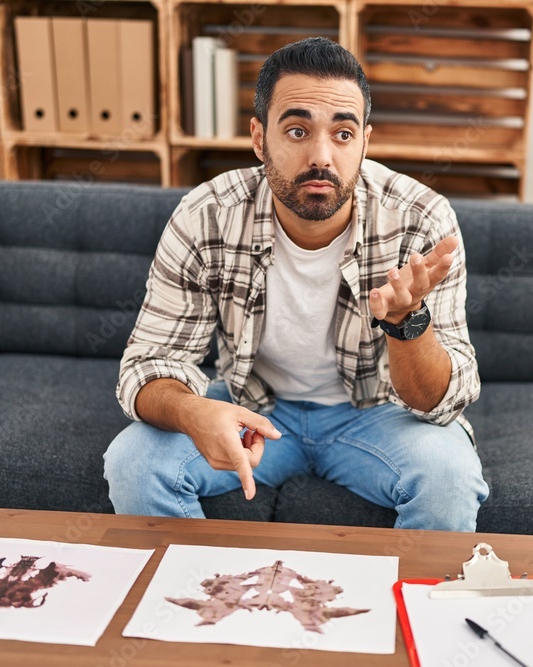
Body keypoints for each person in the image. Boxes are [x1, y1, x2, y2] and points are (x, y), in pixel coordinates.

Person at [103, 37, 488, 531]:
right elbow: (150, 363)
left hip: (374, 415)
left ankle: (404, 609)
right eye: (298, 130)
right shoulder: (208, 216)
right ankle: (195, 602)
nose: (321, 156)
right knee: (135, 462)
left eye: (343, 134)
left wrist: (405, 323)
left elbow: (445, 399)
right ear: (260, 138)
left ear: (366, 141)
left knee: (450, 477)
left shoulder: (420, 220)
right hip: (252, 408)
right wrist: (192, 411)